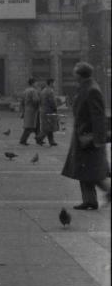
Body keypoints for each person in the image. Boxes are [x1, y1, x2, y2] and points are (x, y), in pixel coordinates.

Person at [61, 62, 111, 210]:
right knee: (85, 169)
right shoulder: (86, 87)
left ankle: (103, 193)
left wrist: (98, 139)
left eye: (74, 72)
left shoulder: (91, 90)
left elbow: (98, 116)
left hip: (88, 138)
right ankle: (89, 200)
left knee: (91, 170)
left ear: (80, 74)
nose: (72, 74)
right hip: (83, 136)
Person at [19, 78, 43, 145]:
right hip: (33, 111)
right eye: (36, 83)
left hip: (27, 110)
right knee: (29, 127)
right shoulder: (33, 91)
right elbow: (36, 100)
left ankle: (39, 139)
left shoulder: (25, 90)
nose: (37, 84)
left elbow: (22, 101)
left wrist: (22, 110)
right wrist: (40, 100)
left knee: (37, 126)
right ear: (33, 83)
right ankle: (23, 140)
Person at [39, 78, 59, 146]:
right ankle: (39, 138)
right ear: (51, 83)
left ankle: (51, 141)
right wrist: (55, 108)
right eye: (54, 83)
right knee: (49, 126)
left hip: (43, 110)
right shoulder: (50, 91)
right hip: (49, 110)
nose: (54, 84)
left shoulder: (43, 90)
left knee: (48, 126)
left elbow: (40, 101)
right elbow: (52, 101)